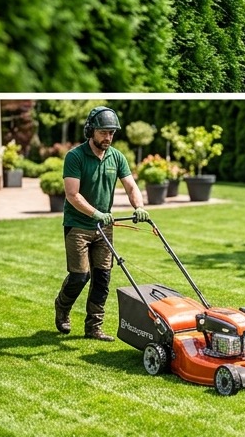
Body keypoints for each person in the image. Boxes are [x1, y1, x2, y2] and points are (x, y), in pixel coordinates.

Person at [53, 106, 149, 341]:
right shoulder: (75, 156)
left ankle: (94, 327)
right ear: (91, 131)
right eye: (104, 132)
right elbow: (72, 195)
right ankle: (62, 307)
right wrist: (95, 213)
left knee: (103, 277)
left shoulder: (116, 157)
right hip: (78, 225)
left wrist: (139, 207)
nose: (108, 137)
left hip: (104, 227)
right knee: (80, 275)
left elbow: (130, 186)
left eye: (112, 133)